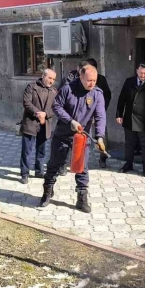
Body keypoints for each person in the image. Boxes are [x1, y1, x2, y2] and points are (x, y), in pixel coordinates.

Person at [41, 65, 106, 213]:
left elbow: (100, 116)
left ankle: (82, 199)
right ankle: (47, 192)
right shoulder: (67, 89)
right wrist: (70, 121)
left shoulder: (97, 94)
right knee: (54, 164)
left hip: (82, 138)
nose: (92, 83)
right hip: (63, 135)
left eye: (94, 80)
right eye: (89, 80)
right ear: (81, 77)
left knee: (82, 168)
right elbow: (56, 106)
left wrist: (100, 137)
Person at [59, 58, 112, 169]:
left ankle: (102, 158)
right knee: (70, 140)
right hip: (74, 118)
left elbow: (106, 96)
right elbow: (59, 101)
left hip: (95, 114)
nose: (91, 83)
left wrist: (97, 111)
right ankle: (64, 163)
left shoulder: (101, 80)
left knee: (100, 136)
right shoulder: (69, 80)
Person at [116, 63, 145, 177]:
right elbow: (122, 99)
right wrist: (119, 114)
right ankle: (128, 164)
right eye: (141, 73)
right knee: (129, 144)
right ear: (136, 71)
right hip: (129, 118)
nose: (143, 75)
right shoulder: (129, 82)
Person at [19, 68, 57, 184]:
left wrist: (45, 114)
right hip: (31, 122)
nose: (51, 81)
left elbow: (56, 107)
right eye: (49, 78)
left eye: (53, 79)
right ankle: (25, 173)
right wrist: (38, 113)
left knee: (41, 149)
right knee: (27, 150)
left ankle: (39, 170)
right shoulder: (32, 86)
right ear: (43, 76)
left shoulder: (54, 91)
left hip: (44, 124)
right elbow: (27, 102)